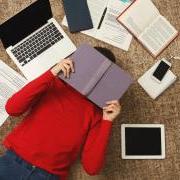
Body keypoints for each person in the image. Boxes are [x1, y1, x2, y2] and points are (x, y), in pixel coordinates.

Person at [0, 48, 121, 180]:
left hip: (48, 176)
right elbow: (12, 108)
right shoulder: (52, 83)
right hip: (12, 161)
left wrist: (107, 121)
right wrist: (52, 72)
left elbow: (92, 168)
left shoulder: (98, 113)